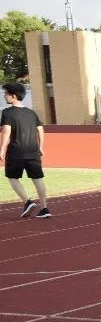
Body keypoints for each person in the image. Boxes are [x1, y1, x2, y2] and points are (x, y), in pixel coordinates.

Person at [0, 82, 51, 219]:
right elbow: (40, 129)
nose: (4, 96)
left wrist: (2, 150)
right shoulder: (31, 113)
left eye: (6, 93)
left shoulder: (7, 112)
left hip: (16, 151)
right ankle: (45, 208)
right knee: (38, 179)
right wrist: (40, 147)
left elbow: (6, 132)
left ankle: (27, 202)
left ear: (14, 96)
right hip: (33, 151)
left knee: (12, 177)